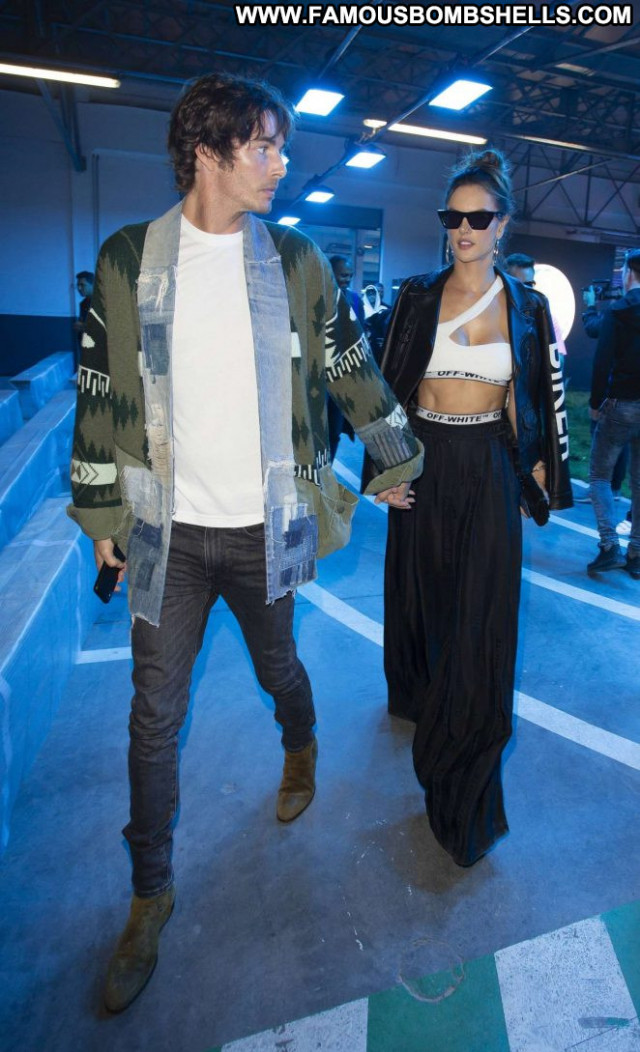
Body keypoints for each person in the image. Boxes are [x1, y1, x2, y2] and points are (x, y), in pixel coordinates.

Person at [68, 72, 423, 1013]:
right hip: (166, 532)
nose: (280, 164)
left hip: (268, 524)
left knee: (279, 669)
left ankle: (299, 742)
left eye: (280, 147)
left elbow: (347, 362)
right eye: (265, 146)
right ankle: (149, 893)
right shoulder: (128, 258)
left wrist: (391, 459)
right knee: (153, 714)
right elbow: (98, 395)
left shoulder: (298, 260)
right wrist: (103, 522)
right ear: (209, 151)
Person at [363, 149, 572, 867]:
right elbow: (387, 387)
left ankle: (466, 782)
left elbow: (529, 401)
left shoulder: (528, 306)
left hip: (488, 468)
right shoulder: (417, 296)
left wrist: (534, 476)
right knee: (426, 606)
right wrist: (383, 471)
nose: (463, 230)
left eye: (478, 219)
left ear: (502, 225)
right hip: (425, 462)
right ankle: (422, 702)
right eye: (452, 218)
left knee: (482, 623)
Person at [586, 249, 640, 578]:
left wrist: (595, 402)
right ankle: (637, 554)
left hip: (620, 403)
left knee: (600, 476)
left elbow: (602, 360)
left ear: (628, 273)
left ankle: (609, 546)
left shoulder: (617, 311)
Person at [577, 283, 628, 505]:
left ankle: (599, 490)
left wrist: (590, 306)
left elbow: (594, 328)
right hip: (632, 391)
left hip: (614, 388)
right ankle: (615, 488)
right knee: (623, 440)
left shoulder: (618, 312)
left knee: (602, 438)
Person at [326, 255, 363, 459]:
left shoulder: (355, 301)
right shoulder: (315, 297)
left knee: (335, 430)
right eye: (342, 275)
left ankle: (328, 469)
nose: (346, 280)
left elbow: (360, 337)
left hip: (342, 378)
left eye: (349, 276)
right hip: (317, 377)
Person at [503, 252, 567, 360]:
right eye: (517, 285)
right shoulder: (492, 315)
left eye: (528, 284)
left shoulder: (546, 319)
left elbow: (557, 361)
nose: (524, 290)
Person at [73, 270, 94, 368]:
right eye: (78, 285)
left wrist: (83, 326)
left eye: (82, 285)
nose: (79, 288)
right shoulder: (83, 304)